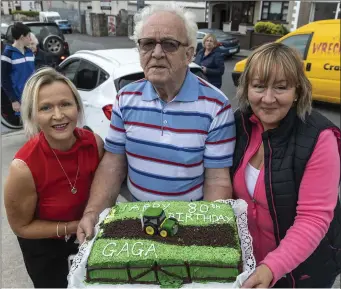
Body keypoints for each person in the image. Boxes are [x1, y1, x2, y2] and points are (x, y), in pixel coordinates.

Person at [76, 2, 236, 244]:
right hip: (138, 220)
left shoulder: (216, 106)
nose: (157, 53)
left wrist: (204, 234)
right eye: (148, 43)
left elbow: (217, 180)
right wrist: (92, 213)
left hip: (188, 224)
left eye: (170, 44)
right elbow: (113, 163)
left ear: (189, 54)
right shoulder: (126, 98)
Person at [230, 42, 341, 288]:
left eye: (281, 87)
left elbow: (313, 218)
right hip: (248, 263)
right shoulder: (239, 124)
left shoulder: (319, 138)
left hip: (303, 272)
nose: (268, 99)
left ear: (298, 90)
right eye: (259, 86)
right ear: (246, 87)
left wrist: (272, 267)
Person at [4, 67, 104, 288]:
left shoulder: (93, 144)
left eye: (65, 104)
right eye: (46, 107)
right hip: (47, 251)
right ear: (33, 114)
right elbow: (21, 227)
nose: (58, 115)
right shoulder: (24, 168)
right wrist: (73, 226)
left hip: (89, 238)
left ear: (77, 106)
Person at [1, 22, 35, 115]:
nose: (30, 39)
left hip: (34, 96)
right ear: (21, 37)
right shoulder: (7, 55)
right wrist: (13, 100)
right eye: (28, 36)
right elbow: (4, 80)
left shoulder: (30, 52)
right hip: (21, 100)